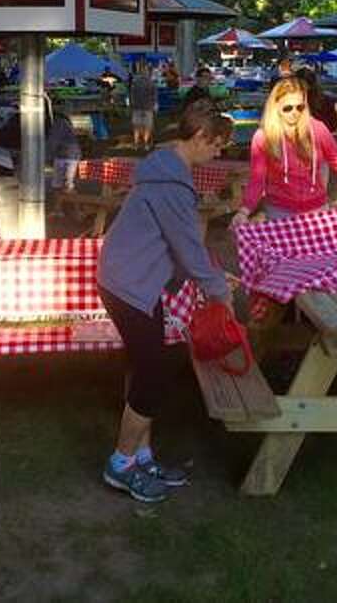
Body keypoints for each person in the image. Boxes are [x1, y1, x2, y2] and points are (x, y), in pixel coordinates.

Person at [97, 101, 234, 503]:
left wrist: (212, 278)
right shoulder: (172, 184)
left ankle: (142, 455)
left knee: (146, 368)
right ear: (200, 137)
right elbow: (189, 248)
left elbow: (179, 247)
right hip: (129, 284)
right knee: (154, 372)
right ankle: (120, 465)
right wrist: (220, 293)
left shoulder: (165, 168)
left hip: (134, 279)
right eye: (218, 145)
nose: (219, 153)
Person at [233, 77, 337, 223]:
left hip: (316, 208)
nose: (294, 112)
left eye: (300, 107)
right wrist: (244, 210)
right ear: (276, 107)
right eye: (287, 108)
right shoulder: (263, 137)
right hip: (279, 211)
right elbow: (256, 179)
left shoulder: (318, 129)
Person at [294, 67, 337, 132]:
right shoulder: (291, 100)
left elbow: (333, 124)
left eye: (300, 85)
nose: (298, 87)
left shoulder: (324, 101)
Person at [129, 60, 157, 150]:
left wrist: (131, 104)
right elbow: (154, 95)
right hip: (148, 107)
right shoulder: (151, 82)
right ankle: (146, 144)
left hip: (136, 107)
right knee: (147, 127)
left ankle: (136, 144)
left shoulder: (134, 82)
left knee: (137, 127)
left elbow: (131, 94)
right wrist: (155, 105)